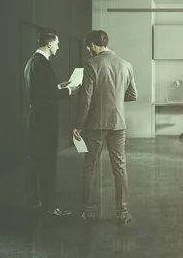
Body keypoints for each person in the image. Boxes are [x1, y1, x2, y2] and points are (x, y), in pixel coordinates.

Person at [73, 30, 137, 225]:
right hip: (118, 124)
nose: (87, 50)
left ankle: (89, 212)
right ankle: (123, 213)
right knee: (120, 168)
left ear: (93, 45)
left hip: (95, 125)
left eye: (88, 47)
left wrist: (78, 125)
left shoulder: (91, 64)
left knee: (90, 167)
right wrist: (114, 98)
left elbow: (86, 100)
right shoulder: (126, 64)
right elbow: (133, 95)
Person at [24, 27, 78, 216]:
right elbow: (49, 95)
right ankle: (50, 205)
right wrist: (69, 91)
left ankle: (33, 200)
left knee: (35, 160)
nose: (58, 47)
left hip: (35, 118)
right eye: (56, 43)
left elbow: (41, 90)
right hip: (45, 120)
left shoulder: (32, 62)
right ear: (49, 43)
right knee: (48, 162)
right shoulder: (43, 64)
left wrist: (58, 86)